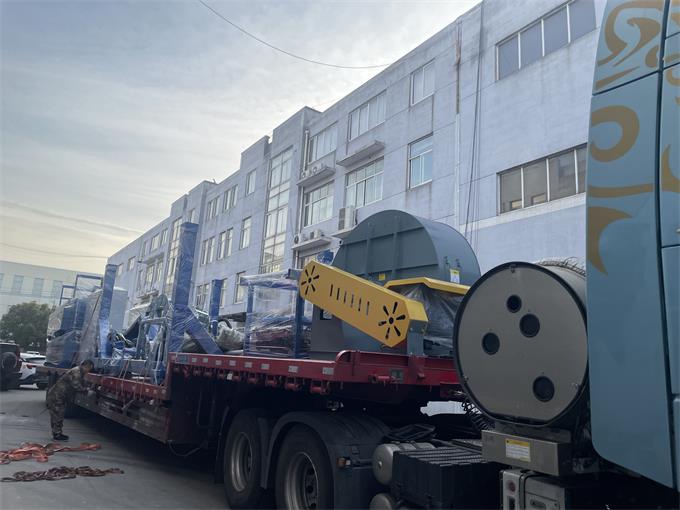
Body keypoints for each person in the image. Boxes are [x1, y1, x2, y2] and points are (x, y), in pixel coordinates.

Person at [46, 359, 94, 441]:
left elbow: (81, 383)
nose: (88, 371)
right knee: (58, 415)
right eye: (89, 368)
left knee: (59, 414)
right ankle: (57, 434)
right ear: (85, 366)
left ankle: (58, 433)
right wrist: (86, 391)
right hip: (57, 396)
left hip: (61, 396)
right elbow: (76, 385)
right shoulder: (76, 372)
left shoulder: (79, 372)